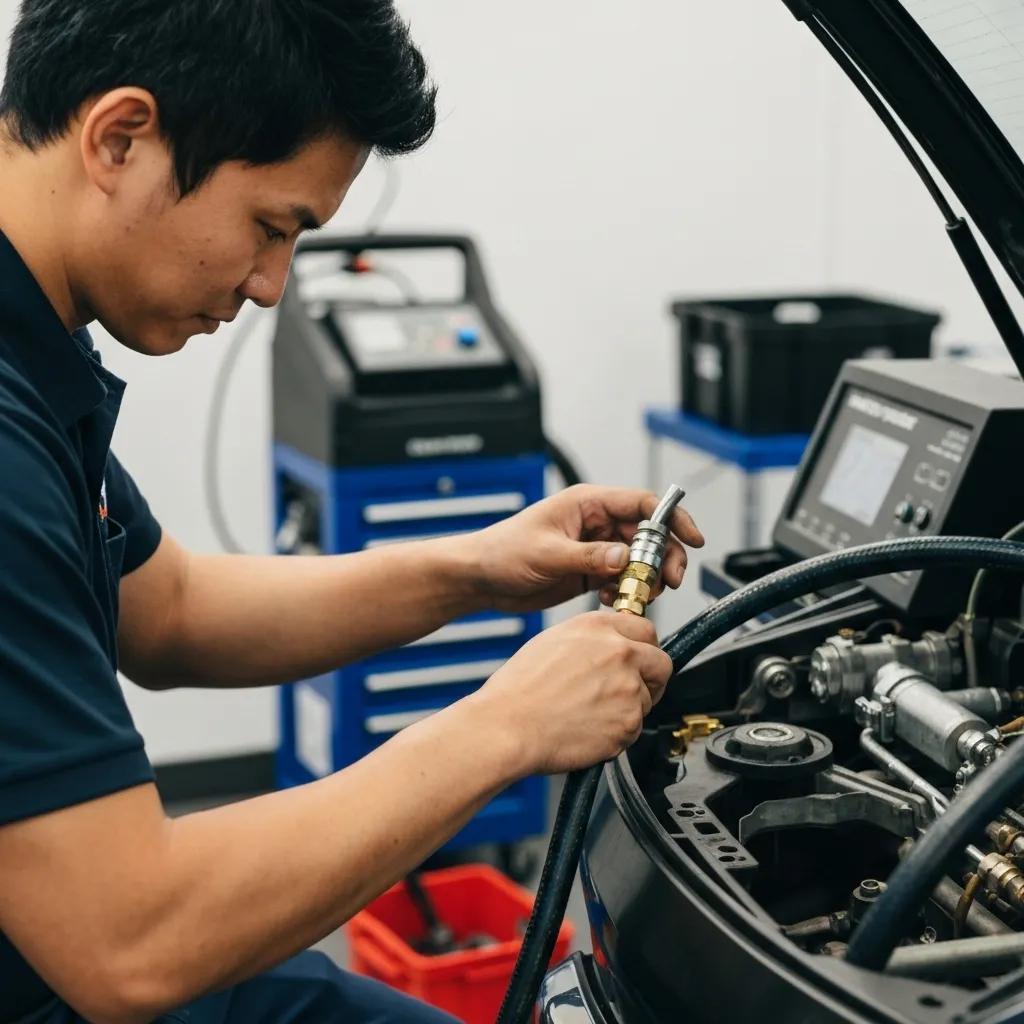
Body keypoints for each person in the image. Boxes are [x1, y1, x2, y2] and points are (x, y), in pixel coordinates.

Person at [0, 2, 704, 1022]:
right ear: (119, 137)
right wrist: (510, 725)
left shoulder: (35, 354)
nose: (273, 285)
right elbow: (130, 941)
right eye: (270, 226)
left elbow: (175, 609)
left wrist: (476, 567)